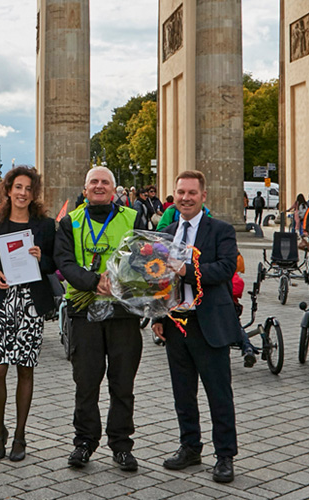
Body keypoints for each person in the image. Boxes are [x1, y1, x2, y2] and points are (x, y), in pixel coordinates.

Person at [149, 170, 245, 483]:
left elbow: (225, 268)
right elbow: (162, 280)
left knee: (219, 393)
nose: (186, 198)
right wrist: (158, 316)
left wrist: (187, 270)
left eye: (192, 193)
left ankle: (225, 455)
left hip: (209, 323)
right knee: (183, 392)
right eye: (181, 193)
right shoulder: (169, 231)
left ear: (203, 196)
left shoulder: (220, 230)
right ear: (174, 196)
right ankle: (189, 446)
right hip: (177, 325)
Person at [55, 166, 144, 472]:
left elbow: (144, 257)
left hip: (123, 313)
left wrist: (120, 282)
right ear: (85, 186)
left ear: (114, 189)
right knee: (86, 383)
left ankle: (121, 445)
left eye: (105, 182)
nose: (99, 186)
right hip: (85, 312)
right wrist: (94, 281)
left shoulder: (132, 218)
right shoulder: (70, 221)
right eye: (94, 181)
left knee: (123, 384)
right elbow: (64, 261)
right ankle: (84, 442)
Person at [0, 167, 56, 463]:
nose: (22, 193)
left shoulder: (46, 225)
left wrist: (41, 258)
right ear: (8, 189)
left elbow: (53, 263)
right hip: (0, 302)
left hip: (30, 304)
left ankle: (20, 435)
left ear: (34, 193)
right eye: (17, 187)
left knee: (25, 369)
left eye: (28, 188)